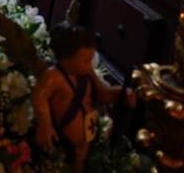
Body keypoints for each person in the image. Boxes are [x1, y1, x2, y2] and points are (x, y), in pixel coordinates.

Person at [32, 22, 135, 171]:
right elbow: (39, 98)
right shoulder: (54, 76)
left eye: (90, 60)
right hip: (63, 140)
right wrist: (46, 125)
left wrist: (122, 93)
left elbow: (102, 93)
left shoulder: (85, 72)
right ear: (66, 58)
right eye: (85, 61)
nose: (88, 66)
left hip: (87, 137)